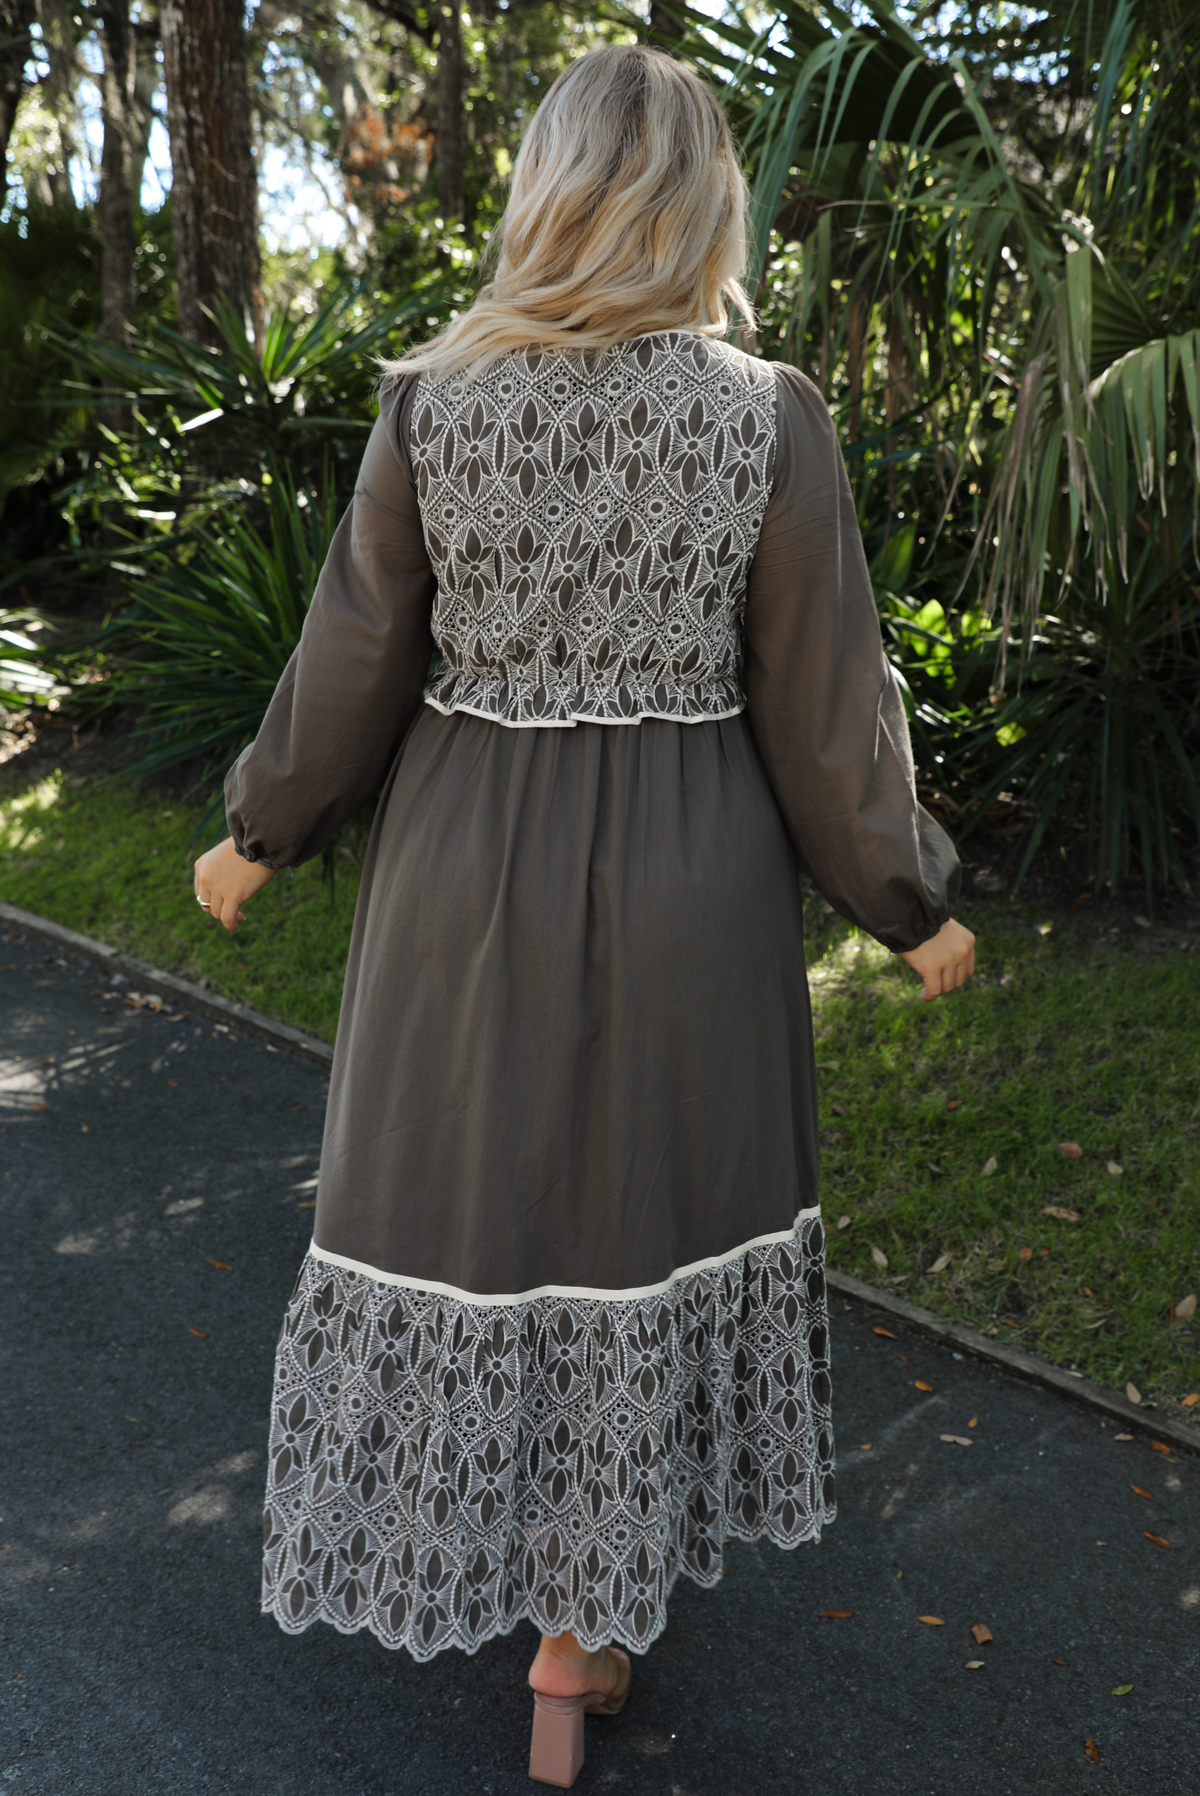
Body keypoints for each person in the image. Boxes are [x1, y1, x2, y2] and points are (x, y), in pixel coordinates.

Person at [194, 43, 974, 1789]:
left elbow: (347, 670)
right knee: (640, 1222)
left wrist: (259, 835)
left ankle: (531, 1602)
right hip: (692, 877)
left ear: (539, 187)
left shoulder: (434, 401)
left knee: (482, 1210)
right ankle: (582, 1634)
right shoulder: (762, 412)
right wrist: (905, 899)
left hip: (467, 876)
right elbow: (825, 703)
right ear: (706, 200)